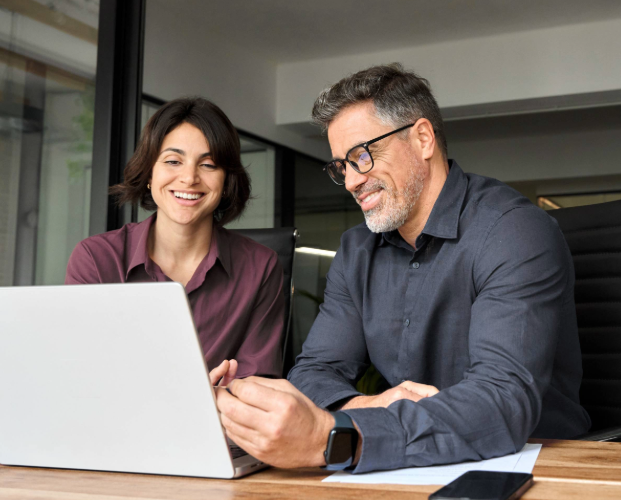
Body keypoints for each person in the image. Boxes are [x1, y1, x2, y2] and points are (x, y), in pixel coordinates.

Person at [214, 64, 591, 473]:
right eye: (342, 165)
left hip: (537, 464)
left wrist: (341, 436)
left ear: (423, 138)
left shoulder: (514, 231)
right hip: (405, 465)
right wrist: (367, 407)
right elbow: (313, 373)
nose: (353, 181)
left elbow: (499, 403)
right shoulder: (357, 250)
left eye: (362, 155)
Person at [65, 97, 284, 384]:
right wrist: (200, 393)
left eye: (208, 164)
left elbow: (259, 386)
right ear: (149, 173)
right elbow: (80, 373)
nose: (189, 178)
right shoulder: (96, 259)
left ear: (226, 179)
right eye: (173, 161)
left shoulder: (260, 267)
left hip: (218, 429)